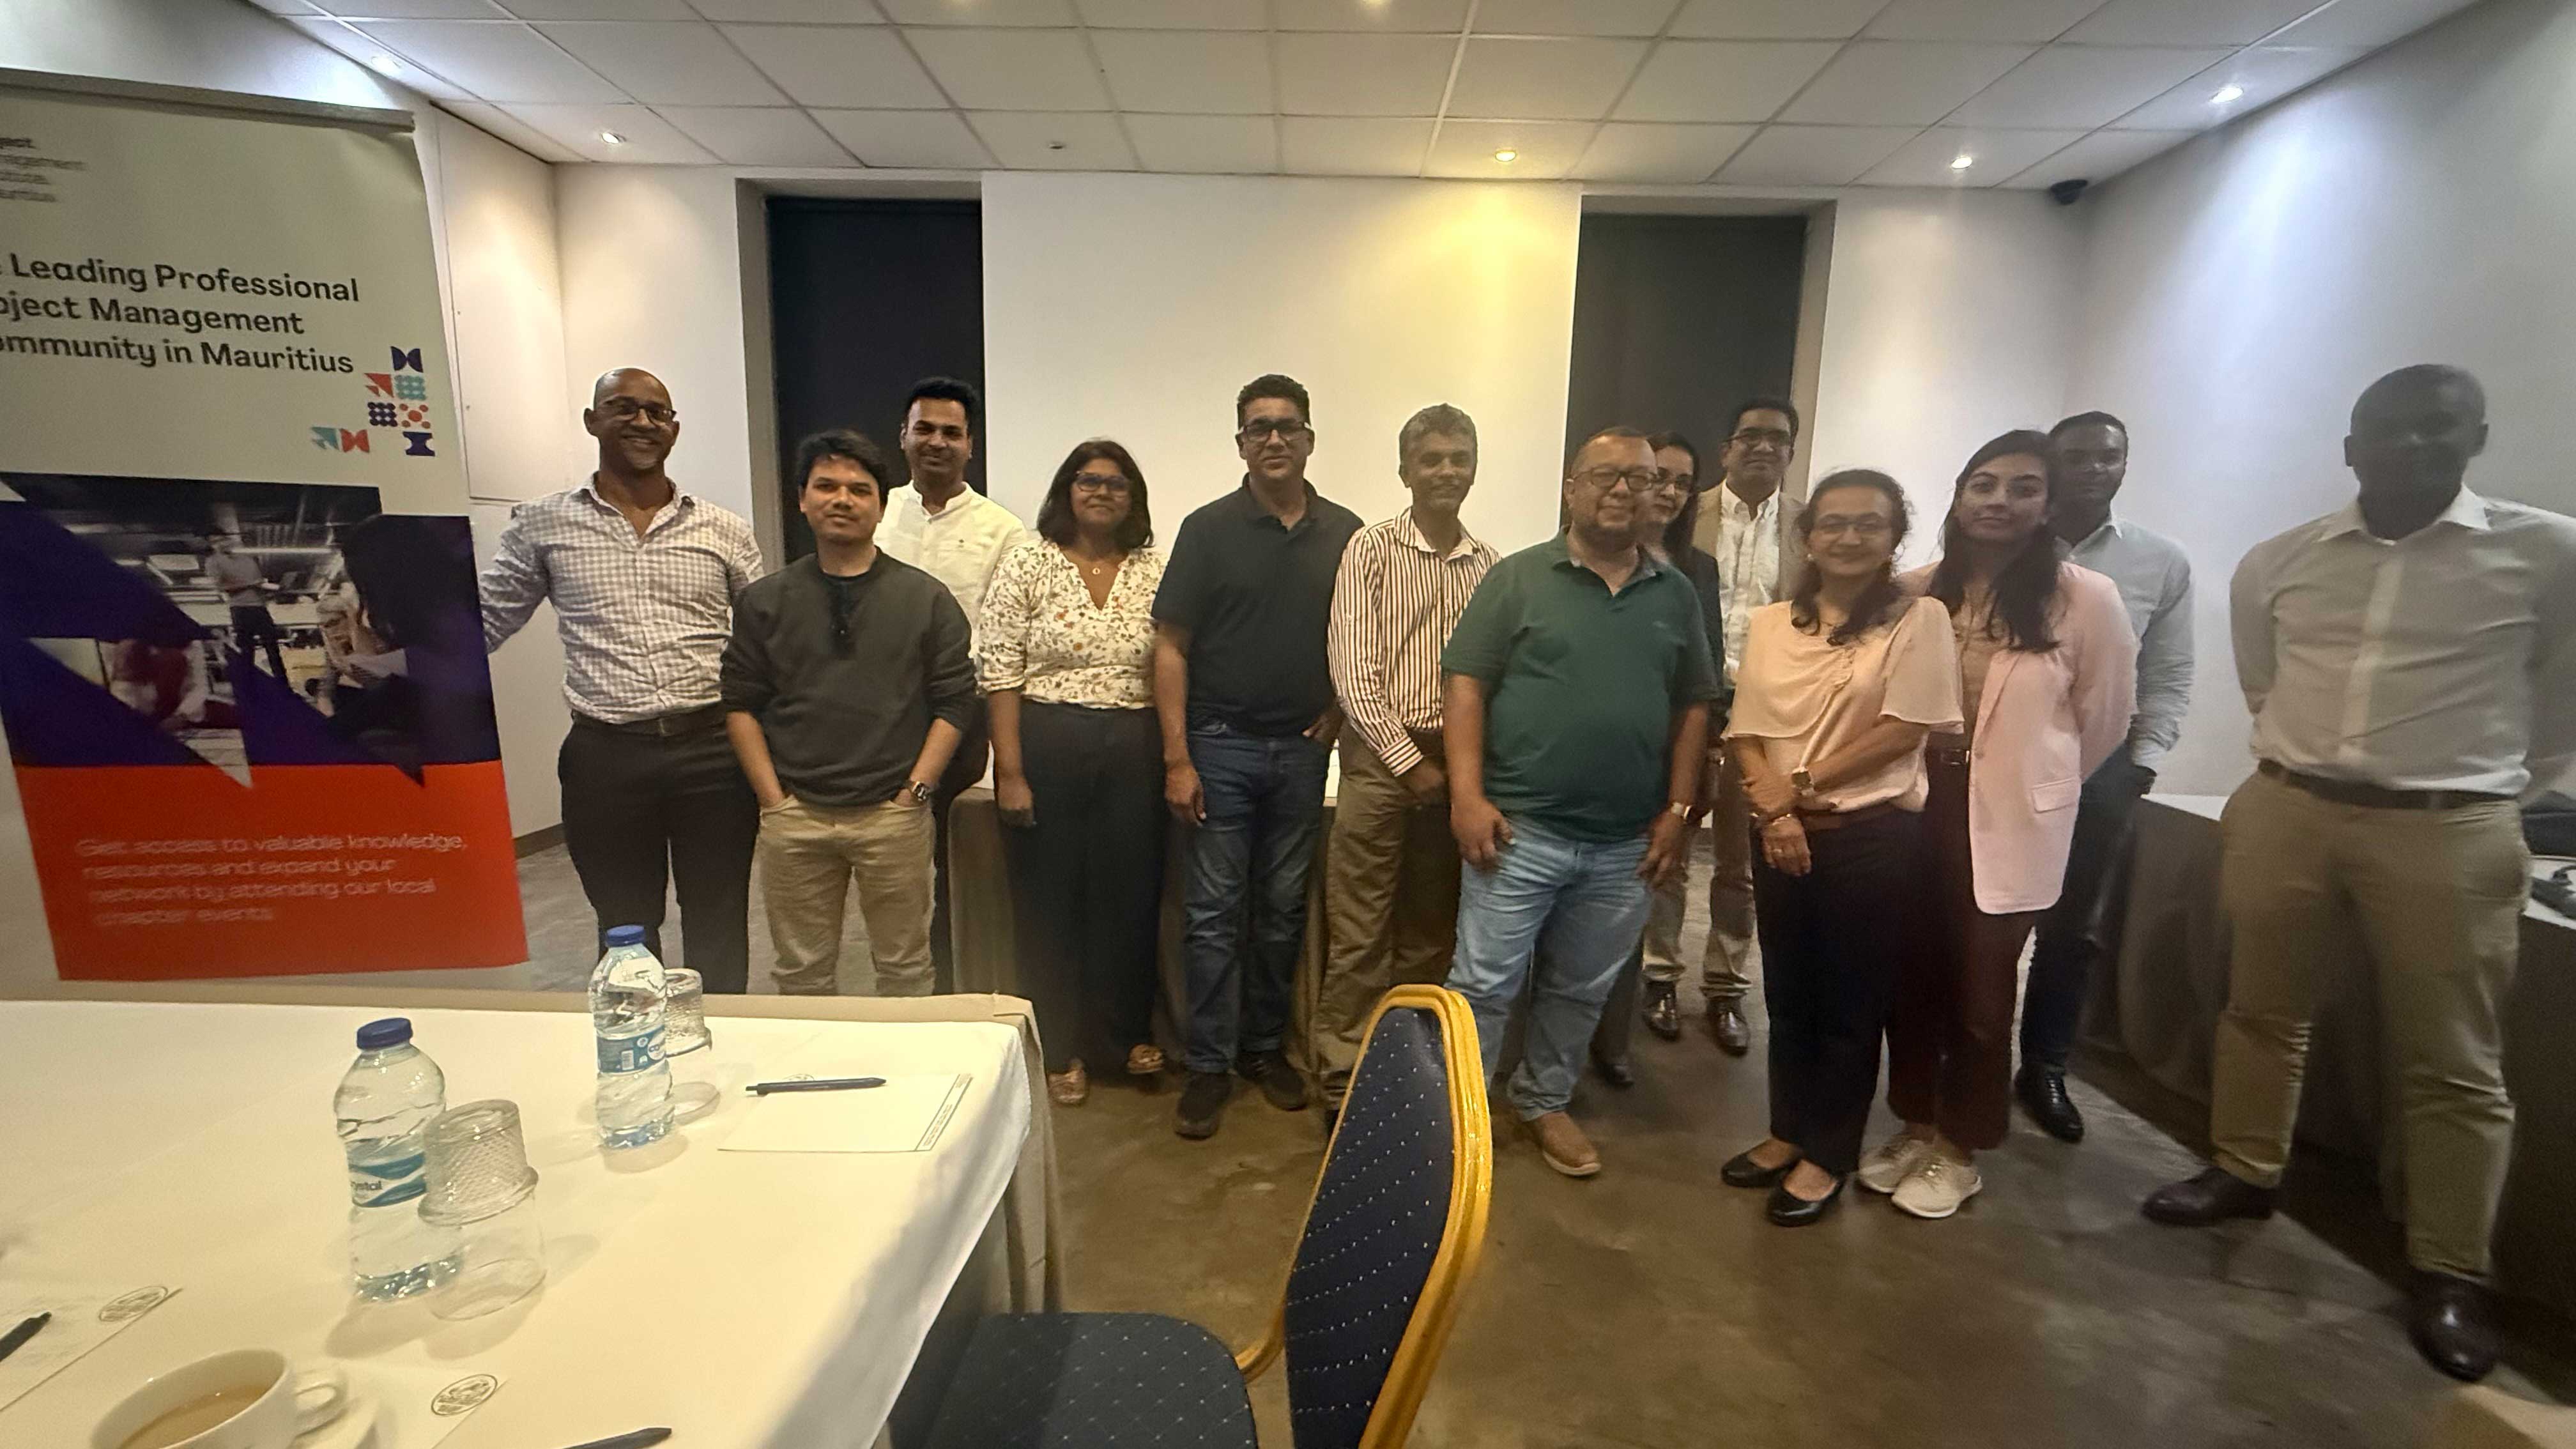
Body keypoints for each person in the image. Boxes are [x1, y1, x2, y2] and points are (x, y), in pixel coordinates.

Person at [2143, 365, 2576, 1383]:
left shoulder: (2549, 553)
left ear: (2477, 437)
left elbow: (2561, 706)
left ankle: (2451, 1267)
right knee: (2261, 1009)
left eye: (2439, 428)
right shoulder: (2281, 560)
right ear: (2351, 447)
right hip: (2290, 808)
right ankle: (2246, 1168)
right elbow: (2265, 683)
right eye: (2389, 429)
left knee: (2453, 1057)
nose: (2412, 446)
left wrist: (2485, 789)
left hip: (2448, 826)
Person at [1864, 431, 2135, 1222]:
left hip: (2010, 815)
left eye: (2022, 487)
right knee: (1909, 979)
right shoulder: (1915, 591)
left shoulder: (2087, 599)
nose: (1998, 501)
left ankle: (1961, 1147)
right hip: (1914, 801)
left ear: (2048, 505)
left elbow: (2105, 719)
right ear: (1958, 497)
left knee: (1982, 995)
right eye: (1982, 484)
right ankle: (1916, 1124)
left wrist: (2035, 781)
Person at [1442, 427, 1720, 1179]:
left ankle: (1544, 1101)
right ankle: (1460, 1117)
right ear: (1571, 489)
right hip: (1518, 830)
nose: (1623, 490)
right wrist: (1466, 796)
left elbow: (1695, 703)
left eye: (1640, 478)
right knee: (1483, 986)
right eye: (1605, 475)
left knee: (1579, 989)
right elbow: (1465, 685)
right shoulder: (1518, 579)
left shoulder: (1676, 594)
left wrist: (1680, 810)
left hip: (1625, 843)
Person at [1721, 470, 1959, 1225]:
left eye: (1869, 524)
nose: (1849, 537)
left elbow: (1904, 729)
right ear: (1808, 537)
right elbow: (1746, 730)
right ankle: (1787, 1129)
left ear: (1894, 538)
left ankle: (1828, 1153)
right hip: (1779, 830)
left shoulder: (1918, 619)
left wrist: (1795, 789)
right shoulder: (1771, 624)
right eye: (1833, 523)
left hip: (1871, 836)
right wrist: (1775, 813)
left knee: (1851, 1003)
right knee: (1788, 992)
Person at [481, 368, 766, 994]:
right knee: (624, 926)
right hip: (605, 756)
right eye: (623, 408)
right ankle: (638, 1041)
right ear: (592, 421)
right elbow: (485, 623)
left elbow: (764, 638)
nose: (642, 422)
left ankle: (726, 1035)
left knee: (719, 917)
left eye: (656, 412)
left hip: (712, 755)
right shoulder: (543, 524)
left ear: (674, 429)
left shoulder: (723, 528)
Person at [1155, 374, 1363, 1140]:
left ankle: (1263, 1050)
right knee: (1213, 916)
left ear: (1310, 439)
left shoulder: (1348, 533)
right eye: (1258, 428)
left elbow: (1365, 638)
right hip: (1219, 746)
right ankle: (1209, 1066)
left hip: (1303, 754)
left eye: (1287, 426)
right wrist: (1178, 759)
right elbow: (1170, 647)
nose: (1274, 439)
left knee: (1281, 913)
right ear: (1240, 444)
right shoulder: (1207, 529)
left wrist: (1340, 708)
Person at [721, 429, 974, 997]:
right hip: (796, 816)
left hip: (892, 816)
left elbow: (956, 702)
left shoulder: (926, 599)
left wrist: (915, 793)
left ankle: (907, 1062)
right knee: (801, 974)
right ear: (802, 499)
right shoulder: (765, 601)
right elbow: (739, 704)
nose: (842, 499)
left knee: (906, 970)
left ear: (881, 507)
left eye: (860, 490)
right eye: (826, 486)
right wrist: (773, 802)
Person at [2016, 410, 2195, 1142]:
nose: (2093, 469)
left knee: (2072, 927)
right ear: (2051, 464)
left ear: (2125, 464)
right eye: (2077, 457)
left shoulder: (2160, 561)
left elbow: (2169, 672)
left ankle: (2045, 1066)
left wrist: (2141, 764)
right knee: (1984, 913)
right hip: (2005, 759)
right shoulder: (2009, 546)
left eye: (2108, 457)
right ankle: (1964, 1049)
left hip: (2102, 769)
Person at [1319, 404, 1498, 1124]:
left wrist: (1459, 772)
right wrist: (1409, 764)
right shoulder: (1370, 549)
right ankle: (1343, 1074)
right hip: (1378, 761)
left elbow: (1491, 675)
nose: (1447, 471)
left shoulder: (1489, 565)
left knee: (1432, 927)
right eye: (1432, 460)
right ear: (1405, 471)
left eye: (1459, 458)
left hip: (1456, 761)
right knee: (1360, 928)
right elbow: (1352, 671)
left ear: (1475, 468)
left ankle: (1412, 1068)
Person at [982, 440, 1168, 1106]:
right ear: (1066, 489)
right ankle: (1060, 1047)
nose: (1101, 492)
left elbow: (1173, 660)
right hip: (1048, 742)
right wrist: (1010, 771)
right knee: (1049, 902)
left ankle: (1121, 1040)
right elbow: (1000, 670)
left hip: (1134, 746)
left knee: (1129, 897)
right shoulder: (1027, 561)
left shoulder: (1153, 569)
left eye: (1116, 483)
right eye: (1088, 480)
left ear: (1132, 497)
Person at [875, 376, 1031, 990]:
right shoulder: (875, 512)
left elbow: (1003, 639)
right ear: (904, 436)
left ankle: (944, 987)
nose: (936, 442)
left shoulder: (1003, 530)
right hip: (874, 720)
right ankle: (892, 987)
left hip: (958, 718)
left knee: (950, 861)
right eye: (925, 429)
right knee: (881, 859)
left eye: (951, 432)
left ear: (971, 445)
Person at [1591, 434, 1727, 1085]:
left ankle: (1613, 1041)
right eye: (1658, 478)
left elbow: (1703, 682)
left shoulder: (1696, 572)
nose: (1668, 492)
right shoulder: (1582, 558)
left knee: (1634, 902)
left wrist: (1693, 777)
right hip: (1594, 764)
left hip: (1665, 761)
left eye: (1681, 482)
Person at [1685, 397, 1804, 1054]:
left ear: (1790, 452)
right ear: (1726, 449)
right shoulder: (1687, 514)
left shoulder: (1808, 530)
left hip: (1765, 714)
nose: (1763, 448)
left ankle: (1726, 987)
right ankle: (1659, 977)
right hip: (1689, 706)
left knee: (1741, 863)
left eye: (1777, 439)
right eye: (1750, 436)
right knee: (1670, 848)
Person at [206, 533, 287, 678]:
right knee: (247, 650)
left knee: (273, 647)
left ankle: (282, 682)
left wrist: (273, 589)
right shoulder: (214, 562)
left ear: (229, 540)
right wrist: (250, 584)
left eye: (222, 540)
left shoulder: (247, 560)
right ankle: (249, 684)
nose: (221, 544)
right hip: (240, 608)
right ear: (212, 545)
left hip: (259, 606)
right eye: (215, 542)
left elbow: (259, 583)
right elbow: (221, 587)